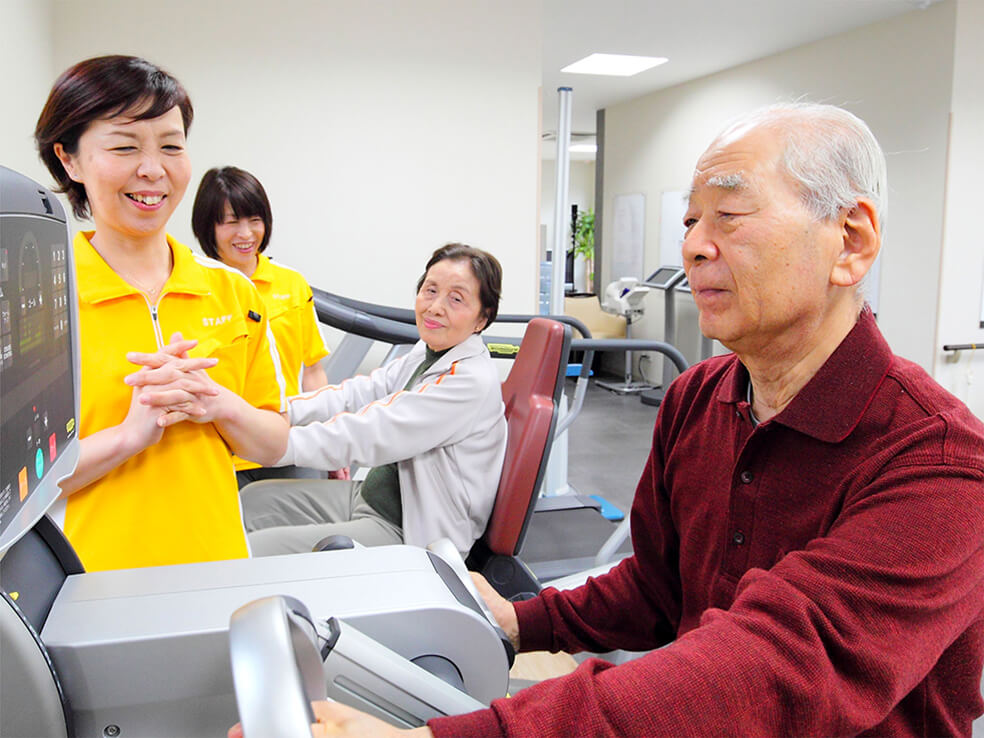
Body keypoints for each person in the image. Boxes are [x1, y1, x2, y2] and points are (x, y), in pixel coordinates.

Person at [260, 104, 984, 736]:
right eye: (691, 221)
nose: (695, 245)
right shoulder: (699, 397)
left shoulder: (942, 462)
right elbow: (657, 588)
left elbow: (772, 668)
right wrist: (525, 621)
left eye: (728, 215)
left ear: (850, 242)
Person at [34, 55, 288, 572]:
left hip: (219, 570)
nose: (153, 169)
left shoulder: (232, 291)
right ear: (70, 160)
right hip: (85, 586)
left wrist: (220, 405)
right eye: (125, 146)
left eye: (171, 146)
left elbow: (274, 440)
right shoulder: (40, 303)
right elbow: (13, 492)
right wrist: (128, 436)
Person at [232, 242, 507, 556]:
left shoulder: (469, 380)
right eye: (430, 290)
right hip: (370, 499)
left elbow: (374, 430)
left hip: (412, 531)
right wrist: (275, 411)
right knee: (253, 499)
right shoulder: (427, 351)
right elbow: (358, 394)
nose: (435, 307)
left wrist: (274, 442)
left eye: (456, 299)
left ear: (482, 319)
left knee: (249, 550)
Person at [191, 166, 335, 487]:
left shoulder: (292, 284)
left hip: (288, 446)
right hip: (221, 454)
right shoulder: (193, 288)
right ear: (208, 227)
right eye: (231, 222)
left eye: (254, 220)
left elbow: (312, 371)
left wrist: (330, 445)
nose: (245, 234)